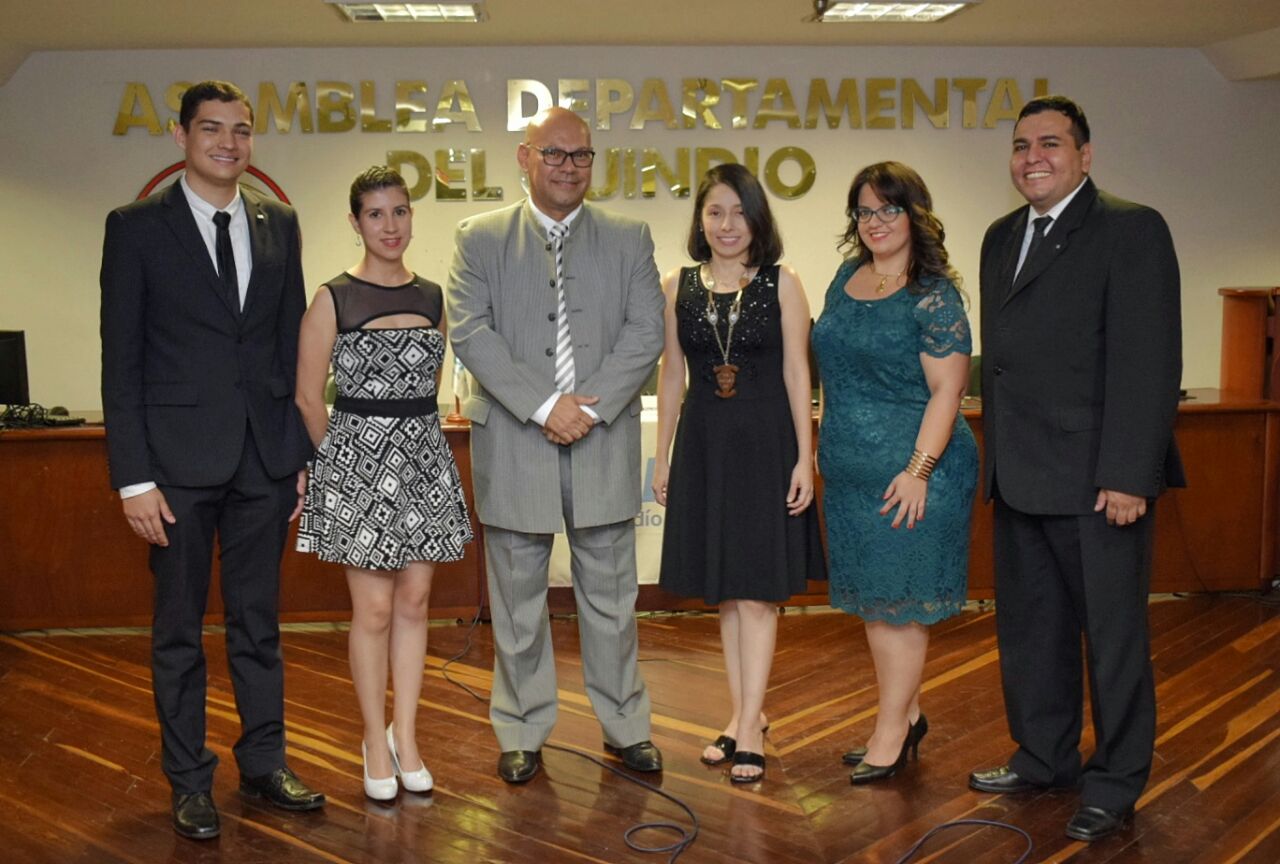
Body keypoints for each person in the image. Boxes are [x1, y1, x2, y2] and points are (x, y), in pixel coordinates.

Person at [99, 80, 324, 840]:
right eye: (211, 129)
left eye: (241, 130)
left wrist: (296, 457)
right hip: (174, 471)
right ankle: (189, 780)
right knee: (178, 631)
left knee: (258, 624)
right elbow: (120, 360)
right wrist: (132, 476)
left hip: (263, 461)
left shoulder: (279, 223)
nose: (228, 142)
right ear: (180, 136)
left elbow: (289, 341)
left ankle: (264, 765)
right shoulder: (135, 229)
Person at [968, 95, 1183, 843]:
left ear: (1085, 155)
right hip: (1021, 474)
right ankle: (1043, 756)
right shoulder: (1001, 238)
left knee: (1113, 639)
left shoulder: (1131, 229)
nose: (1033, 157)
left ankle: (1115, 782)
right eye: (1022, 145)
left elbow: (1148, 363)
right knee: (1033, 634)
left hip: (1099, 481)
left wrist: (1129, 473)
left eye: (1051, 143)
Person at [445, 107, 666, 784]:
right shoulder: (478, 238)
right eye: (555, 154)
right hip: (515, 441)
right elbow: (470, 331)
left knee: (611, 598)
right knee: (516, 602)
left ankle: (626, 727)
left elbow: (645, 331)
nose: (570, 167)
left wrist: (586, 411)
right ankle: (520, 729)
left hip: (601, 440)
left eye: (581, 156)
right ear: (524, 156)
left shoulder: (628, 237)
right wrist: (544, 406)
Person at [294, 166, 473, 801]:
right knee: (371, 609)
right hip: (357, 464)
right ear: (355, 222)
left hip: (422, 458)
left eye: (400, 212)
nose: (390, 226)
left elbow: (431, 385)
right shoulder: (333, 298)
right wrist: (341, 473)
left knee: (415, 604)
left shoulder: (432, 297)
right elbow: (308, 398)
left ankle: (407, 734)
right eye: (376, 214)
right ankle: (373, 737)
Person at [651, 163, 825, 784]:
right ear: (700, 220)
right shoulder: (677, 285)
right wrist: (661, 453)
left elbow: (799, 376)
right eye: (714, 213)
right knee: (727, 591)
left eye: (739, 212)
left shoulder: (784, 282)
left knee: (757, 593)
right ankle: (742, 713)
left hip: (766, 442)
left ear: (758, 218)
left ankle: (749, 725)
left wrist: (806, 457)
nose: (727, 225)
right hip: (704, 444)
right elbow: (672, 373)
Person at [811, 161, 978, 785]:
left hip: (915, 475)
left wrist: (918, 470)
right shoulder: (843, 278)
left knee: (898, 611)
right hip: (854, 476)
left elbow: (947, 391)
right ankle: (905, 716)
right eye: (864, 211)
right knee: (877, 609)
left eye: (888, 209)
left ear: (915, 214)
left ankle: (890, 732)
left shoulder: (934, 294)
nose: (875, 222)